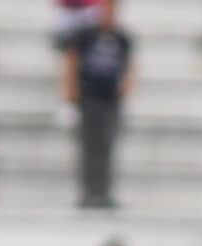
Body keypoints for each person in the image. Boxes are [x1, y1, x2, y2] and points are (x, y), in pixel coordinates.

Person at [64, 0, 131, 210]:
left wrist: (126, 86)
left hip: (110, 98)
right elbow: (72, 60)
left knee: (106, 145)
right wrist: (70, 88)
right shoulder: (86, 35)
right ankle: (88, 191)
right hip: (89, 95)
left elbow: (129, 64)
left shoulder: (122, 38)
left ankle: (104, 191)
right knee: (88, 145)